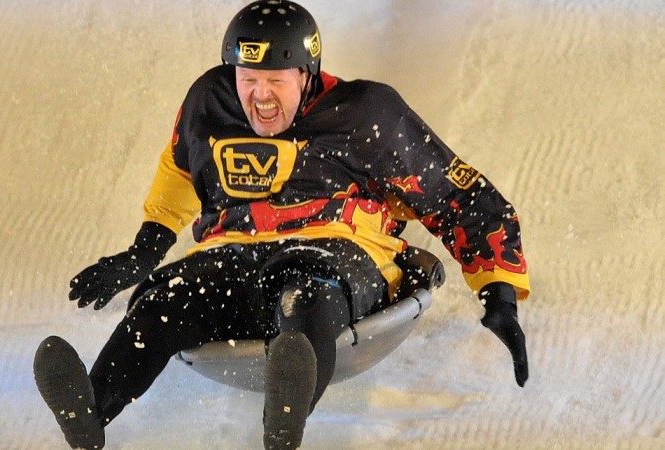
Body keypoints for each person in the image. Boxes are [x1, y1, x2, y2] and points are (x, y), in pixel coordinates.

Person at [33, 1, 531, 449]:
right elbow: (181, 171)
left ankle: (283, 420)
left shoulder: (365, 115)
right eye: (249, 79)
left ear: (307, 73)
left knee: (308, 293)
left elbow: (459, 194)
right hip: (231, 252)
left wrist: (500, 293)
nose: (260, 96)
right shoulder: (210, 102)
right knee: (168, 297)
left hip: (336, 247)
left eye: (276, 80)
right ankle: (90, 411)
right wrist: (144, 251)